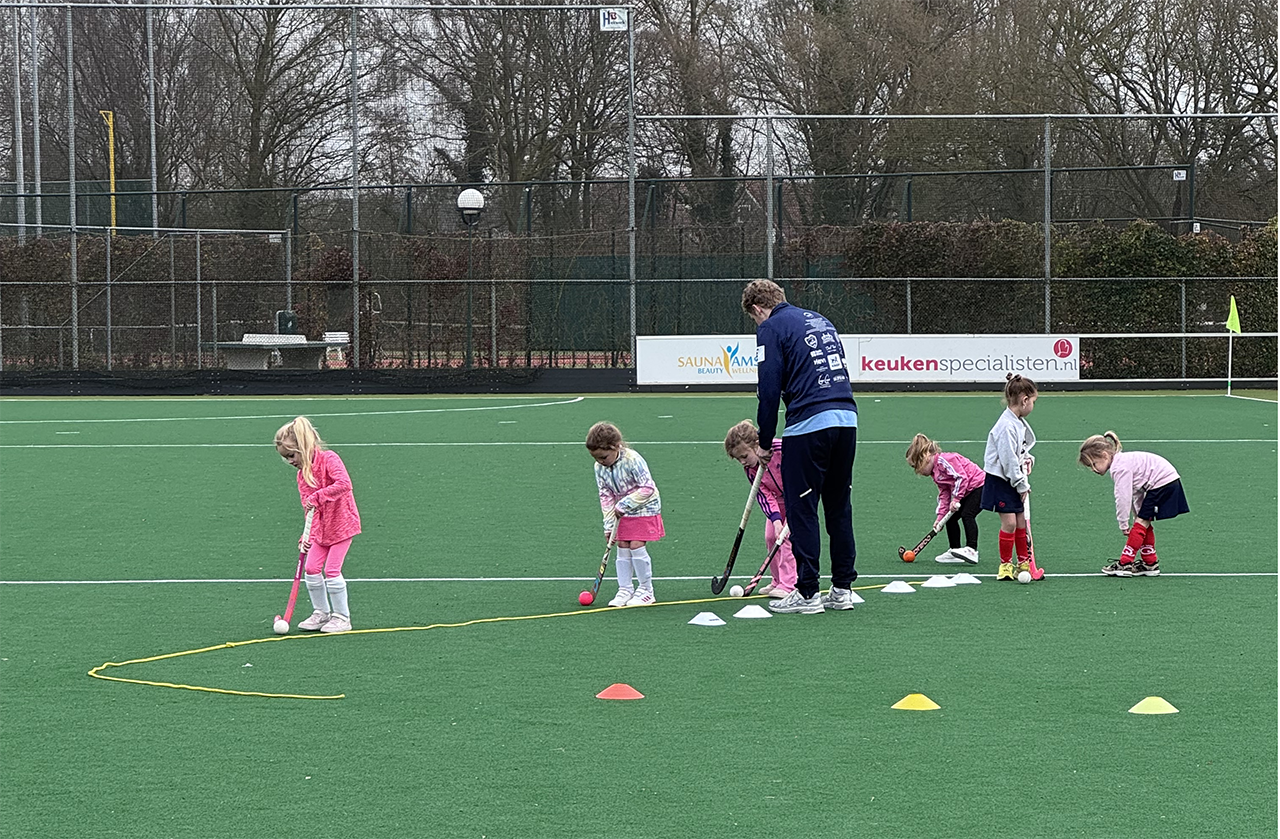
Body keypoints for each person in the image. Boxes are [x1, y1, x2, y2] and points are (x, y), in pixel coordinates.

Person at [741, 279, 858, 615]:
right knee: (838, 507)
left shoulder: (771, 327)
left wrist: (764, 441)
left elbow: (769, 388)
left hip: (809, 426)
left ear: (758, 308)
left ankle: (807, 593)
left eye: (754, 319)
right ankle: (842, 590)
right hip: (846, 419)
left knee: (802, 509)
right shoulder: (821, 319)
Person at [275, 416, 362, 632]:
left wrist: (319, 496)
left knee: (332, 570)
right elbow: (309, 509)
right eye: (286, 458)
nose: (290, 461)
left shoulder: (329, 459)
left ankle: (342, 617)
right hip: (321, 530)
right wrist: (307, 535)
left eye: (291, 455)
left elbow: (344, 484)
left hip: (342, 524)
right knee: (311, 569)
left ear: (302, 447)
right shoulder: (301, 476)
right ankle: (321, 613)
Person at [1079, 431, 1188, 577]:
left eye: (1094, 464)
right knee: (1143, 520)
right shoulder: (1123, 461)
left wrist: (1123, 523)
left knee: (1142, 522)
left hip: (1163, 483)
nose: (1093, 469)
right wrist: (1137, 513)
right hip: (1165, 482)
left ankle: (1125, 563)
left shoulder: (1120, 468)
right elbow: (1137, 491)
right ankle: (1150, 563)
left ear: (1105, 455)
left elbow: (1123, 497)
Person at [586, 421, 664, 607]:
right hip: (621, 511)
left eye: (603, 457)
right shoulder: (599, 468)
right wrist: (608, 524)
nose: (600, 462)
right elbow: (605, 495)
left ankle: (646, 590)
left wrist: (625, 503)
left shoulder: (632, 459)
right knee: (622, 544)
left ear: (615, 447)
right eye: (596, 458)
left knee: (636, 543)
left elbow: (648, 488)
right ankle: (625, 589)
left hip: (645, 507)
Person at [724, 419, 796, 597]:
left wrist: (794, 509)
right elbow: (763, 495)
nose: (742, 462)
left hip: (797, 497)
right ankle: (777, 581)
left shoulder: (782, 449)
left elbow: (800, 472)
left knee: (786, 538)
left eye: (744, 456)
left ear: (757, 445)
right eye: (738, 458)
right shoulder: (751, 469)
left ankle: (790, 585)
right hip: (778, 501)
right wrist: (776, 519)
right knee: (771, 536)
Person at [980, 374, 1038, 582]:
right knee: (1011, 523)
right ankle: (1005, 564)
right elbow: (1008, 460)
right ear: (1024, 400)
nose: (1033, 406)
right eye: (1033, 402)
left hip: (1013, 477)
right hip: (1002, 479)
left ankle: (1024, 563)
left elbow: (1018, 451)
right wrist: (1021, 484)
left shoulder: (1017, 422)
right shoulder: (1006, 426)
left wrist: (1028, 458)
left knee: (1021, 522)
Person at [904, 433, 985, 564]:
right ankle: (955, 551)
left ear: (925, 457)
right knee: (951, 518)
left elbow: (961, 477)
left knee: (967, 514)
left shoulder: (945, 461)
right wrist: (940, 518)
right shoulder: (935, 474)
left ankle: (972, 550)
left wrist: (957, 499)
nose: (917, 471)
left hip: (980, 486)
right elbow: (944, 494)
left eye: (916, 466)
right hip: (967, 491)